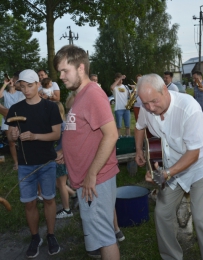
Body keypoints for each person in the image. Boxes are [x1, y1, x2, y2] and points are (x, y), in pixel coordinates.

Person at [134, 73, 203, 260]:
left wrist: (166, 173)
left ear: (165, 90)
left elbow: (193, 154)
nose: (150, 108)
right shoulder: (147, 107)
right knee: (162, 212)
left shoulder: (188, 108)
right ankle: (171, 256)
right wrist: (138, 150)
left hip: (202, 166)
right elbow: (139, 125)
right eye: (145, 104)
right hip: (174, 166)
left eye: (153, 101)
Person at [54, 45, 120, 260]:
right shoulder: (79, 95)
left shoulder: (92, 94)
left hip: (95, 180)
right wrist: (66, 149)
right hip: (85, 179)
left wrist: (91, 173)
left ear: (80, 68)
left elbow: (111, 135)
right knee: (100, 234)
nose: (61, 77)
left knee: (105, 237)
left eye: (65, 71)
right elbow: (80, 130)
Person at [5, 69, 62, 258]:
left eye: (30, 85)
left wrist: (35, 136)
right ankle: (35, 236)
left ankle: (51, 235)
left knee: (49, 199)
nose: (26, 90)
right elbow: (10, 133)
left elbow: (56, 134)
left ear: (38, 84)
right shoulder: (15, 109)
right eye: (23, 86)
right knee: (29, 204)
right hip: (25, 164)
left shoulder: (50, 107)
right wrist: (12, 135)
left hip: (46, 162)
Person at [55, 101, 77, 218]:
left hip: (61, 159)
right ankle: (73, 194)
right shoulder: (62, 123)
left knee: (61, 184)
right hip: (58, 158)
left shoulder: (61, 125)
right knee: (58, 183)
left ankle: (67, 210)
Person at [0, 71, 25, 170]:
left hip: (18, 118)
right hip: (6, 119)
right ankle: (16, 162)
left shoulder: (20, 93)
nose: (12, 83)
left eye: (13, 81)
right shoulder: (5, 93)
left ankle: (24, 159)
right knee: (11, 141)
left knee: (22, 139)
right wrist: (5, 84)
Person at [110, 72, 131, 137]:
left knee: (128, 126)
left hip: (126, 108)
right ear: (115, 79)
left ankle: (128, 137)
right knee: (119, 126)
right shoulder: (115, 87)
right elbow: (111, 87)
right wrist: (119, 78)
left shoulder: (125, 87)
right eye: (119, 79)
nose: (121, 81)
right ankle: (119, 138)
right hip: (118, 109)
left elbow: (129, 96)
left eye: (121, 79)